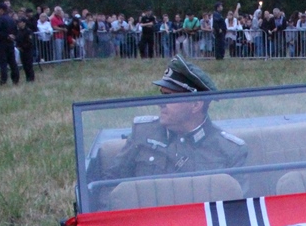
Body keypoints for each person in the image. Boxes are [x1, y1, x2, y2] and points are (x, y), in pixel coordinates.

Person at [91, 55, 247, 184]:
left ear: (195, 104)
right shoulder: (143, 133)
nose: (160, 103)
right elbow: (110, 185)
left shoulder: (229, 151)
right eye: (161, 95)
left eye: (168, 96)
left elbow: (237, 206)